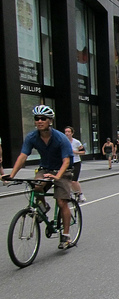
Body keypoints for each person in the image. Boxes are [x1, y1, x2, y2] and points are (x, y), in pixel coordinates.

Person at [3, 105, 75, 249]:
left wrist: (57, 177)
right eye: (37, 118)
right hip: (45, 169)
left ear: (50, 121)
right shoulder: (32, 137)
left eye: (43, 118)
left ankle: (66, 237)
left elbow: (66, 161)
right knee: (36, 187)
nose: (40, 121)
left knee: (61, 201)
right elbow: (23, 156)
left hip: (63, 170)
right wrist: (11, 175)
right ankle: (43, 207)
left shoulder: (60, 138)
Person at [64, 126, 86, 203]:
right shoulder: (62, 141)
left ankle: (80, 194)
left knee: (74, 181)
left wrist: (76, 152)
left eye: (69, 132)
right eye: (66, 132)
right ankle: (72, 194)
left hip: (76, 162)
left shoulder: (76, 142)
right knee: (68, 181)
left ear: (72, 133)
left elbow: (83, 152)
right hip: (66, 163)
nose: (67, 133)